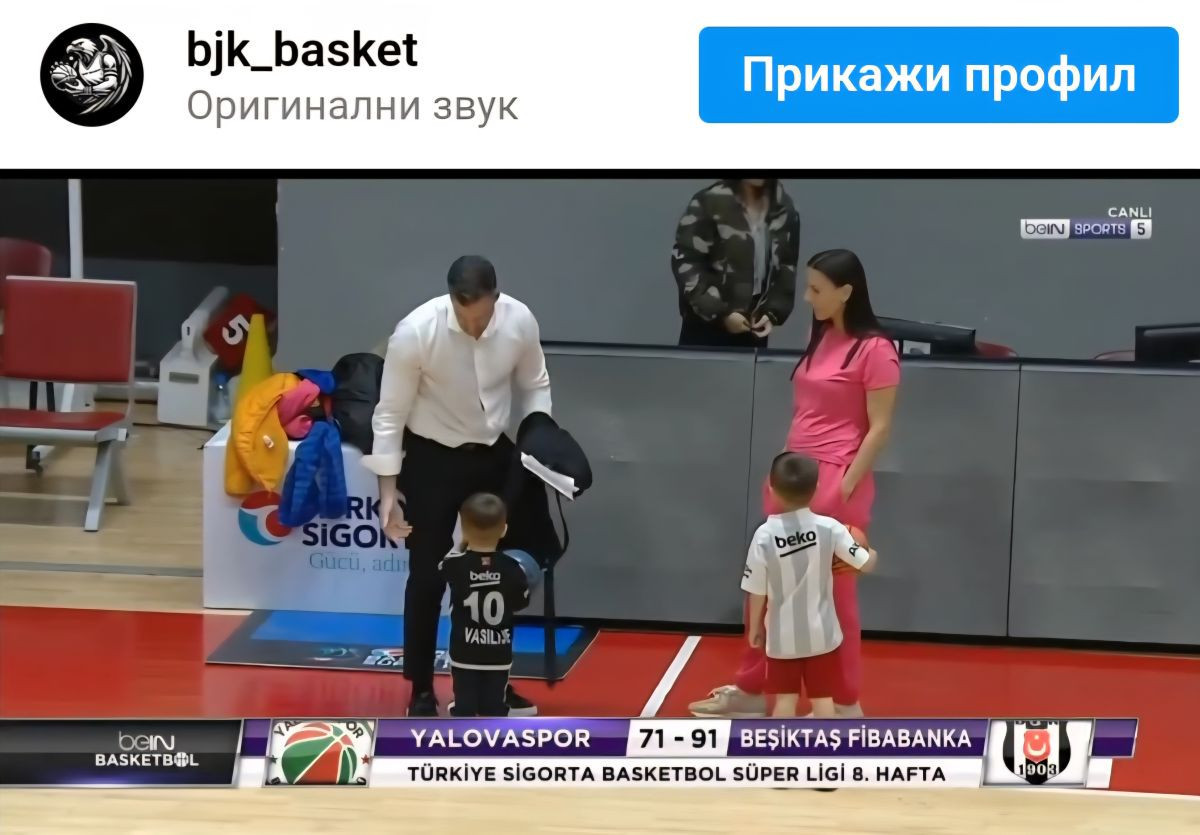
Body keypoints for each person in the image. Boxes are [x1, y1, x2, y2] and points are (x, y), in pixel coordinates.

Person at [691, 248, 899, 719]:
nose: (808, 297)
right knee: (768, 586)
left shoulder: (876, 350)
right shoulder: (819, 335)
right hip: (792, 472)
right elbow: (805, 407)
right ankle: (754, 689)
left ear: (846, 293)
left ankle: (844, 703)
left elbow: (880, 426)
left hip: (837, 477)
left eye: (817, 289)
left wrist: (845, 486)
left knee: (834, 596)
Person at [362, 255, 552, 717]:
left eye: (481, 319)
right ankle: (421, 688)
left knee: (501, 572)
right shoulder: (415, 332)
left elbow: (536, 385)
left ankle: (496, 683)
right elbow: (389, 415)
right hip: (432, 457)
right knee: (427, 576)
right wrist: (387, 493)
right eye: (465, 319)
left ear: (495, 299)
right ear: (451, 300)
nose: (473, 328)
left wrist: (540, 442)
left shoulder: (519, 320)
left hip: (494, 453)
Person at [743, 453, 876, 720]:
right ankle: (822, 743)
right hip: (822, 635)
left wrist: (755, 626)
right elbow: (865, 564)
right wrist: (871, 552)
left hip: (781, 637)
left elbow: (757, 589)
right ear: (816, 488)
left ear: (771, 488)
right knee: (823, 700)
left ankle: (782, 744)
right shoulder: (831, 528)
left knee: (785, 701)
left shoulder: (764, 535)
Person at [670, 178, 801, 348]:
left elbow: (786, 266)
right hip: (705, 324)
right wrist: (720, 313)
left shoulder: (783, 208)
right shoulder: (710, 201)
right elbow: (686, 261)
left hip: (753, 325)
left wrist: (771, 312)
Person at [440, 493, 531, 717]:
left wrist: (462, 544)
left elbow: (443, 565)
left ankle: (462, 723)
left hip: (464, 650)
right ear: (504, 530)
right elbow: (521, 602)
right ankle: (494, 728)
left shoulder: (455, 565)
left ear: (464, 531)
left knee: (464, 704)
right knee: (494, 705)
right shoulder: (513, 568)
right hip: (498, 651)